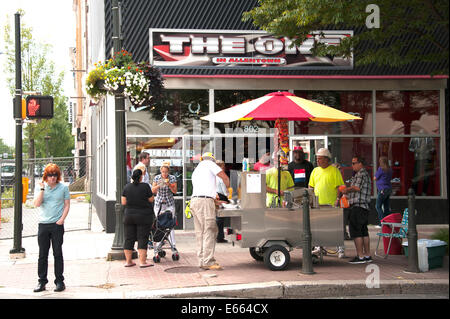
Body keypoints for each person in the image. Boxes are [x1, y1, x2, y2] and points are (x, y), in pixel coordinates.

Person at [33, 163, 70, 293]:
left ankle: (59, 281)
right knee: (42, 254)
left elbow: (66, 205)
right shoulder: (40, 187)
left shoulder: (63, 188)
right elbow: (37, 204)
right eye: (50, 175)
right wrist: (42, 190)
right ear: (46, 176)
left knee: (57, 253)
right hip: (43, 224)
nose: (52, 178)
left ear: (58, 176)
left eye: (55, 175)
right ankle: (41, 281)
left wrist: (61, 220)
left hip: (57, 225)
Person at [190, 152, 230, 270]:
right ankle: (208, 261)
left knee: (200, 232)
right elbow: (224, 177)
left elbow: (203, 190)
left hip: (195, 201)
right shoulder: (209, 164)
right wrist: (228, 188)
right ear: (212, 159)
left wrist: (216, 201)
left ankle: (202, 260)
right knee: (210, 230)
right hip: (204, 202)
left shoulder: (197, 169)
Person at [308, 148, 346, 258]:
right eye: (317, 159)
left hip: (331, 203)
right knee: (318, 227)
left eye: (320, 159)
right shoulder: (315, 171)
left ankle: (340, 248)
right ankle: (319, 247)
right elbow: (311, 186)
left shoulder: (334, 171)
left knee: (335, 227)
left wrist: (338, 200)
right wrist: (311, 199)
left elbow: (340, 186)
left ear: (326, 159)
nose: (318, 161)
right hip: (317, 204)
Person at [341, 155, 372, 264]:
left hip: (358, 206)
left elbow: (357, 188)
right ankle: (367, 255)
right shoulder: (364, 174)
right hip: (364, 207)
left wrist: (346, 190)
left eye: (354, 163)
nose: (352, 165)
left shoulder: (361, 174)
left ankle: (360, 256)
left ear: (360, 164)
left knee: (356, 232)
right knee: (364, 231)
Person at [121, 168, 154, 268]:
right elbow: (151, 199)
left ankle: (128, 261)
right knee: (142, 238)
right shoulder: (145, 186)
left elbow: (123, 202)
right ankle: (143, 262)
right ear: (141, 177)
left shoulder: (127, 187)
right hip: (143, 216)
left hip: (129, 216)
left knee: (129, 238)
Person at [152, 163, 178, 253]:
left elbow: (175, 191)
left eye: (166, 172)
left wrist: (169, 185)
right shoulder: (157, 178)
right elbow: (153, 190)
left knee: (170, 224)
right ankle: (159, 244)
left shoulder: (172, 178)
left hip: (169, 203)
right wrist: (159, 185)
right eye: (163, 172)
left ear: (168, 172)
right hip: (159, 204)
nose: (164, 174)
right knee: (159, 224)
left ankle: (173, 245)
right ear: (160, 171)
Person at [374, 156, 393, 227]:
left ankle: (382, 222)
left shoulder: (380, 169)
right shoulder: (389, 169)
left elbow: (375, 178)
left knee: (378, 206)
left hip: (382, 189)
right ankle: (388, 223)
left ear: (381, 162)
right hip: (388, 189)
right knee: (386, 207)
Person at [215, 160, 229, 243]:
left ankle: (218, 236)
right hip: (221, 196)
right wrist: (228, 197)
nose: (224, 168)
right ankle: (220, 237)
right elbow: (224, 189)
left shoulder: (213, 175)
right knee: (220, 218)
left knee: (217, 217)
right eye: (223, 166)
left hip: (215, 196)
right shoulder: (221, 176)